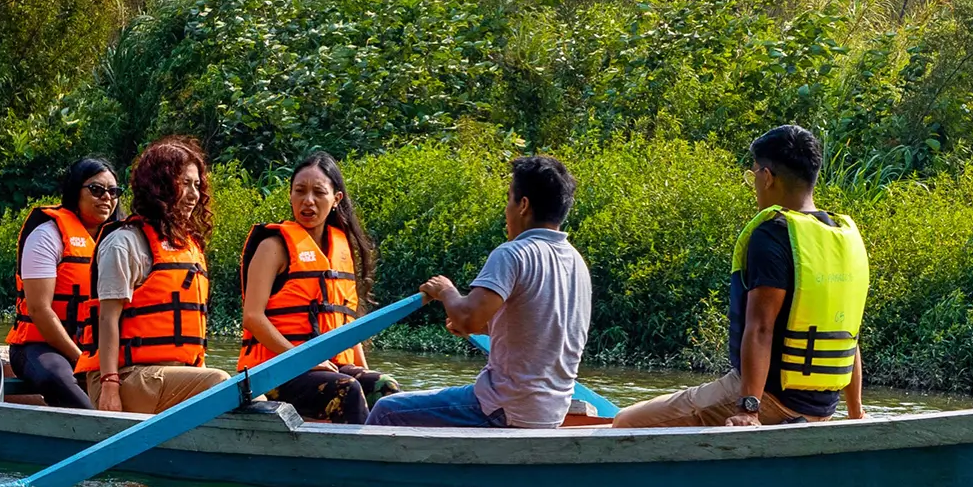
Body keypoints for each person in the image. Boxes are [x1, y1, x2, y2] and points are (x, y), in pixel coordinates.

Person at [613, 124, 868, 429]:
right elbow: (849, 334)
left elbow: (760, 328)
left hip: (769, 400)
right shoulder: (842, 237)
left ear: (767, 176)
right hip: (823, 408)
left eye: (754, 173)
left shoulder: (773, 234)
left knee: (626, 422)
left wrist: (749, 409)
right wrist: (856, 413)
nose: (754, 183)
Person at [367, 155, 591, 428]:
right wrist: (484, 327)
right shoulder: (576, 262)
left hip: (505, 407)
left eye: (508, 200)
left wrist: (446, 291)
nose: (506, 211)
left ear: (523, 205)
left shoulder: (513, 253)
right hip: (551, 412)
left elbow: (467, 318)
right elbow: (536, 328)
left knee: (386, 409)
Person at [238, 152, 400, 422]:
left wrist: (365, 371)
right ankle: (359, 449)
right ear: (290, 195)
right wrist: (304, 359)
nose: (308, 200)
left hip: (329, 369)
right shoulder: (273, 247)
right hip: (274, 372)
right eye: (300, 191)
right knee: (347, 389)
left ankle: (390, 445)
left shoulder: (342, 251)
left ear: (336, 199)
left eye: (318, 192)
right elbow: (252, 317)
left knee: (384, 387)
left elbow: (347, 325)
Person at [76, 137, 230, 413]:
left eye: (197, 185)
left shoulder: (189, 248)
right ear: (159, 186)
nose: (194, 195)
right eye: (184, 183)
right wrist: (109, 385)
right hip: (123, 377)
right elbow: (107, 320)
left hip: (173, 376)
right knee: (219, 382)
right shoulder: (124, 243)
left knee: (250, 392)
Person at [5, 156, 121, 409]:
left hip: (97, 348)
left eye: (113, 192)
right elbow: (39, 310)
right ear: (75, 191)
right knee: (58, 377)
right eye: (96, 189)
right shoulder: (47, 235)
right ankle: (97, 429)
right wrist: (81, 360)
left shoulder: (120, 241)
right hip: (40, 347)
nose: (106, 197)